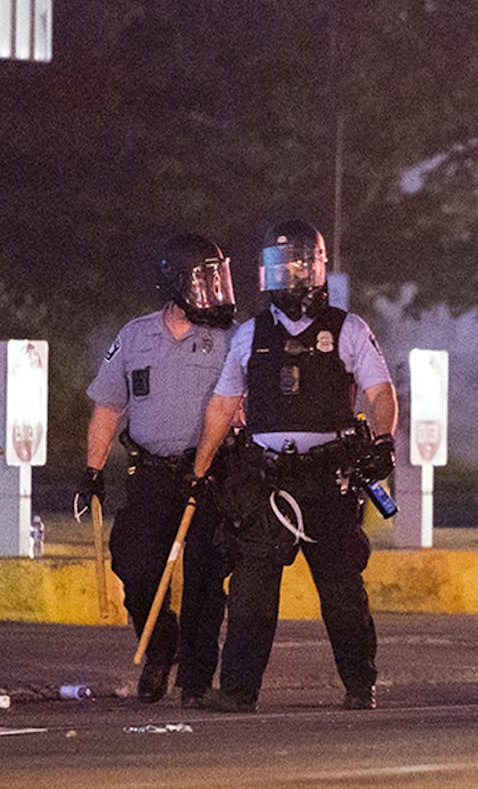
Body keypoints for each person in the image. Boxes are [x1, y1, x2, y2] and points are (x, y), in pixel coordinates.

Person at [187, 220, 397, 713]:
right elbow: (222, 406)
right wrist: (200, 469)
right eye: (282, 268)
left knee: (341, 588)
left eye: (301, 266)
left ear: (319, 269)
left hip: (328, 479)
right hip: (265, 481)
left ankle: (359, 683)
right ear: (266, 274)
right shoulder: (249, 335)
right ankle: (238, 690)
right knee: (251, 588)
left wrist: (384, 438)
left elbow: (380, 393)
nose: (292, 277)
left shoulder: (349, 329)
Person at [83, 233, 239, 707]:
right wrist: (92, 471)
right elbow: (109, 407)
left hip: (212, 474)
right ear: (175, 283)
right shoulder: (134, 336)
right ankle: (158, 645)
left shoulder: (230, 339)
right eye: (203, 280)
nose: (215, 289)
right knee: (133, 560)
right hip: (151, 473)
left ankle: (195, 681)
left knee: (205, 580)